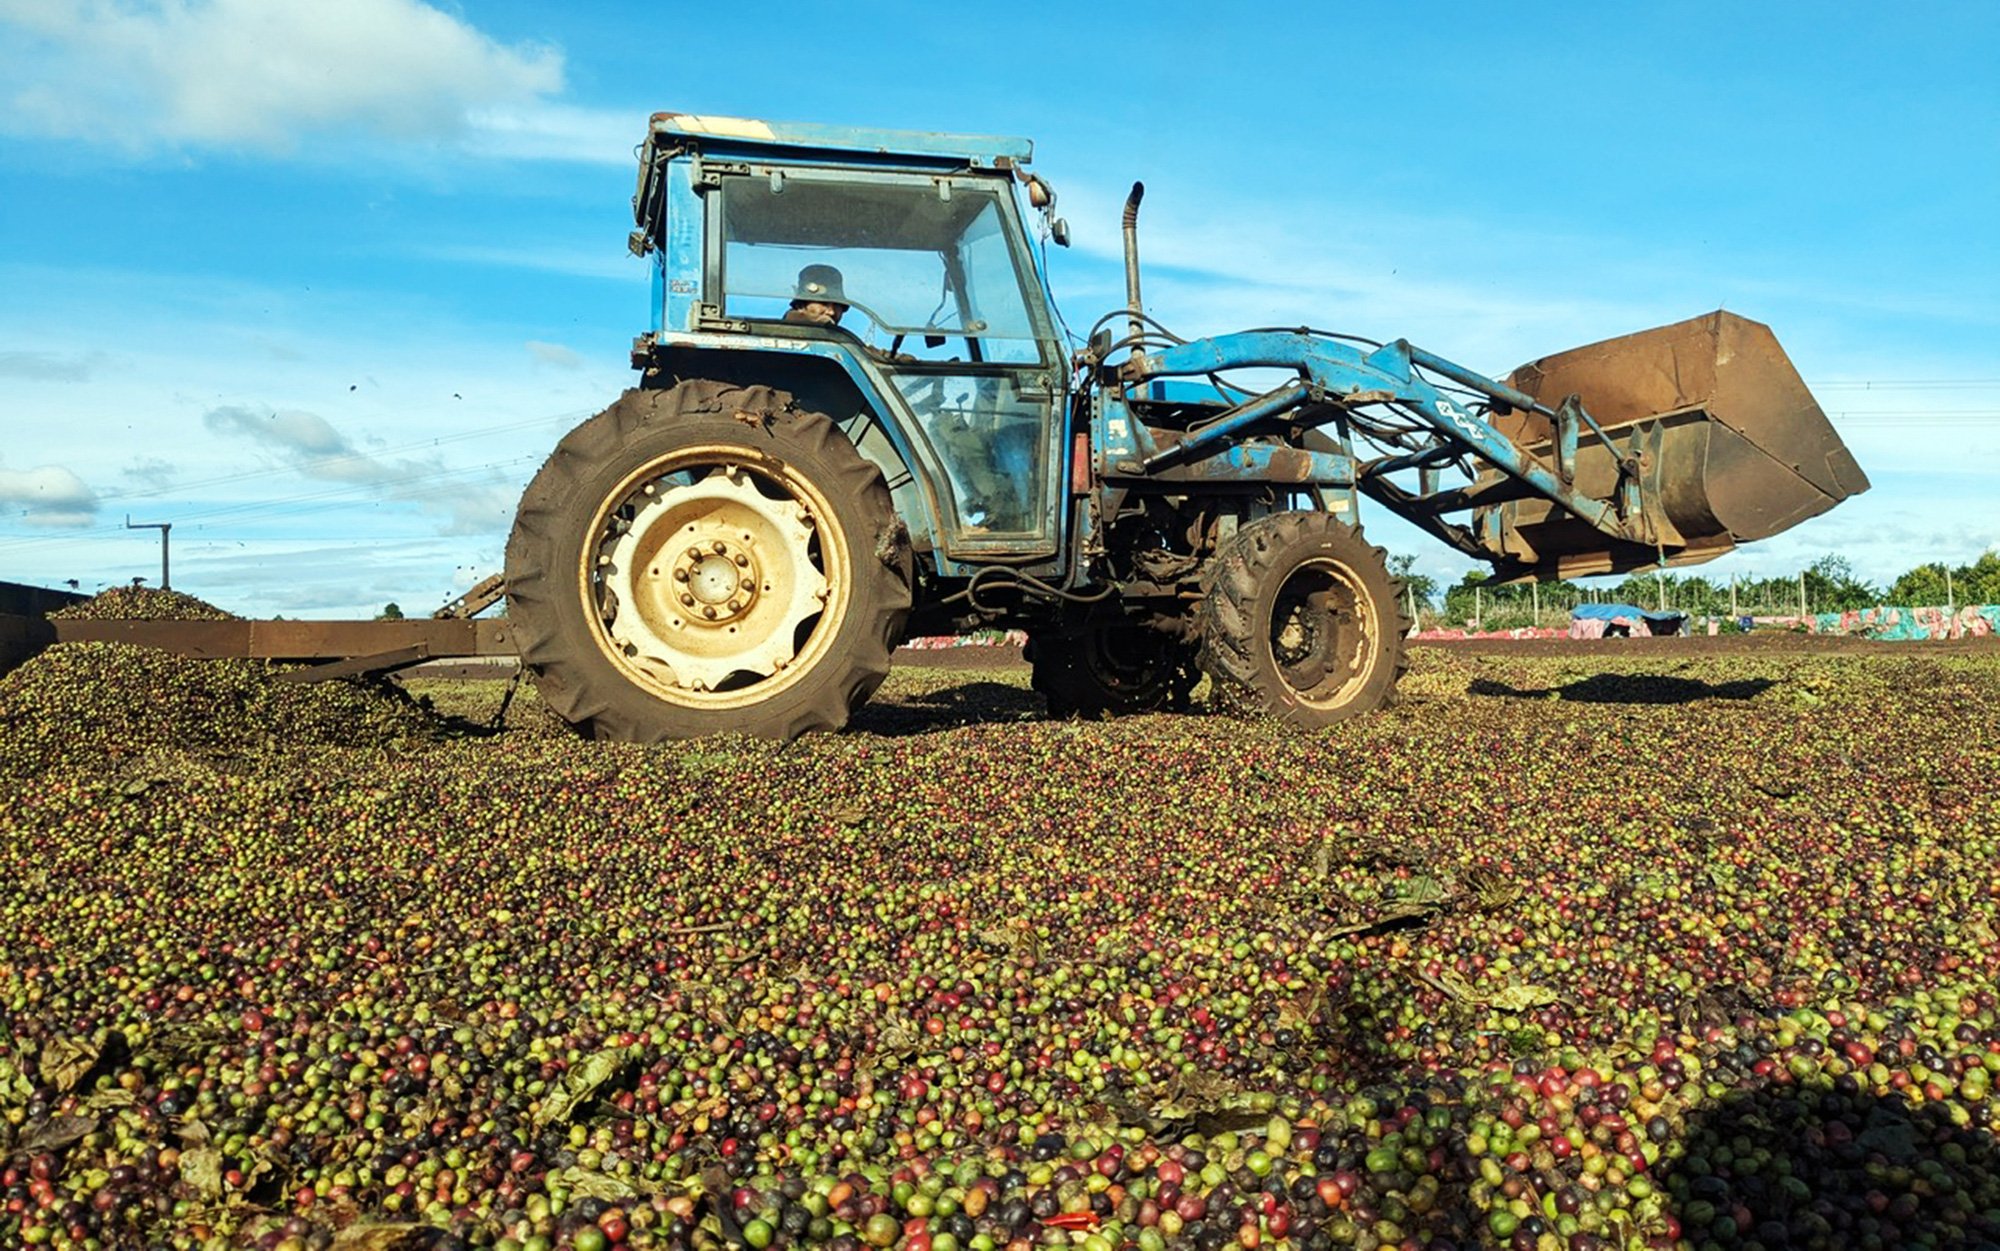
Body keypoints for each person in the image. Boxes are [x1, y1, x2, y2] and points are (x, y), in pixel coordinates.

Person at [784, 264, 849, 327]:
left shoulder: (841, 337)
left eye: (837, 304)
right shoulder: (781, 334)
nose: (831, 312)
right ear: (800, 306)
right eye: (823, 303)